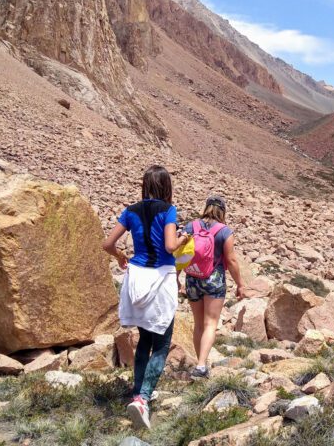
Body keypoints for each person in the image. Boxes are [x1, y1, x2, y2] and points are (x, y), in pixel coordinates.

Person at [102, 165, 189, 430]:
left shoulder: (130, 211)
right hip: (160, 278)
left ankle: (136, 393)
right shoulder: (168, 211)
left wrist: (120, 257)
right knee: (162, 343)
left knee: (144, 340)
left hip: (136, 278)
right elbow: (170, 246)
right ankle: (143, 398)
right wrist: (184, 238)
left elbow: (107, 244)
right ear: (166, 187)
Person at [181, 195, 245, 379]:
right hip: (214, 279)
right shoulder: (224, 231)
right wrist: (240, 284)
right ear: (222, 212)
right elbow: (231, 260)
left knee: (198, 323)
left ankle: (200, 364)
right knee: (211, 323)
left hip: (192, 277)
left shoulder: (191, 227)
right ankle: (201, 365)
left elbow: (181, 254)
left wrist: (176, 276)